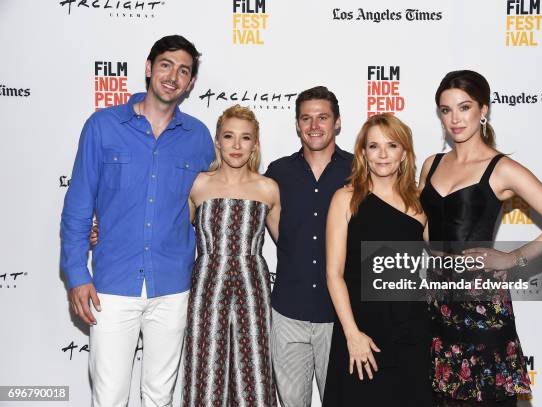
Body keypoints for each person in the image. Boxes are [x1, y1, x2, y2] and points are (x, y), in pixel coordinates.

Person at [60, 35, 215, 407]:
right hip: (113, 284)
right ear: (148, 68)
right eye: (165, 65)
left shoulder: (198, 137)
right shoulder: (102, 126)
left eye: (183, 71)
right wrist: (77, 274)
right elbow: (79, 204)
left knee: (160, 395)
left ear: (191, 82)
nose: (172, 76)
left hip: (173, 285)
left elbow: (217, 202)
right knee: (109, 395)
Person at [418, 70, 542, 405]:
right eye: (446, 110)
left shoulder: (502, 168)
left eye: (464, 107)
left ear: (483, 110)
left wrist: (512, 258)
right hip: (438, 301)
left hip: (482, 306)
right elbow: (424, 230)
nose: (454, 118)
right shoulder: (430, 165)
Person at [323, 113, 433, 406]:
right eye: (374, 146)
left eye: (392, 145)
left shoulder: (420, 205)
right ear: (363, 153)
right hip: (363, 332)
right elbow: (334, 275)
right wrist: (352, 334)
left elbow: (441, 264)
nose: (383, 154)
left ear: (404, 153)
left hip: (412, 332)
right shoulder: (346, 199)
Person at [181, 105, 280, 406]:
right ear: (217, 141)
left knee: (254, 369)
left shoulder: (268, 188)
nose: (236, 145)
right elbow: (169, 237)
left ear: (255, 144)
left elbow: (289, 244)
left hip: (253, 288)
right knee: (205, 370)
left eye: (245, 138)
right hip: (207, 287)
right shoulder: (198, 184)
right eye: (229, 136)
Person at [264, 86, 353, 406]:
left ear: (337, 122)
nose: (314, 126)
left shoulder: (359, 170)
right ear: (297, 124)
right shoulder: (277, 172)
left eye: (323, 117)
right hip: (288, 313)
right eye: (306, 118)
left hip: (340, 316)